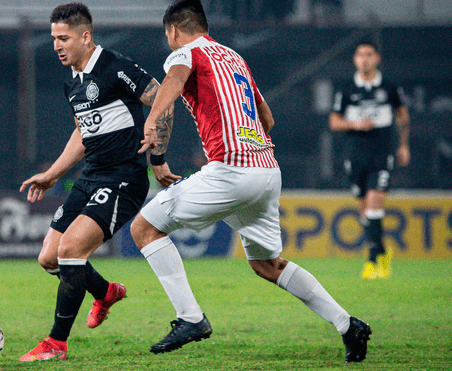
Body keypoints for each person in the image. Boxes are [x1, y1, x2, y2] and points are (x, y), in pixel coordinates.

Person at [130, 0, 372, 363]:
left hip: (231, 171)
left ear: (173, 31)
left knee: (144, 229)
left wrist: (154, 129)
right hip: (266, 170)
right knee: (267, 264)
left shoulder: (185, 53)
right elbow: (267, 118)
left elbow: (174, 82)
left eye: (169, 35)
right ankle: (347, 324)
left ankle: (191, 318)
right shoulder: (234, 58)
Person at [17, 2, 178, 361]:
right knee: (49, 258)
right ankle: (105, 292)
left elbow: (162, 100)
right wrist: (52, 174)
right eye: (54, 38)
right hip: (90, 176)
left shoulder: (113, 66)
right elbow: (82, 133)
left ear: (85, 36)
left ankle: (56, 344)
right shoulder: (72, 82)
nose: (57, 45)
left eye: (64, 38)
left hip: (123, 178)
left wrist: (158, 159)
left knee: (71, 250)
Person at [329, 41, 410, 280]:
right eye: (360, 55)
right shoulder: (346, 89)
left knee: (375, 203)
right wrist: (356, 124)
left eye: (369, 54)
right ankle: (382, 250)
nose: (365, 59)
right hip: (355, 155)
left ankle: (373, 260)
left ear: (377, 58)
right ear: (355, 59)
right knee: (364, 210)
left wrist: (404, 145)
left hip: (382, 153)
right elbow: (334, 122)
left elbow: (403, 117)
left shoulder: (389, 87)